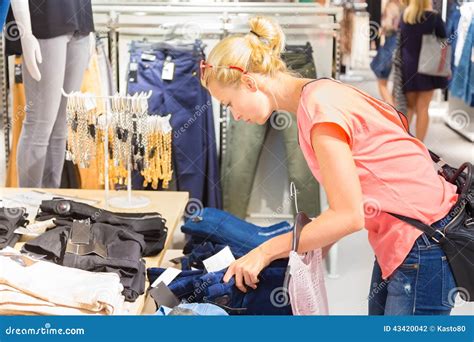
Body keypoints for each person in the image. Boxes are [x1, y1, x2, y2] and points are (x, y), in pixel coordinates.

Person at [200, 16, 460, 315]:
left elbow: (348, 216)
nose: (233, 115)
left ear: (248, 82)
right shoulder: (317, 95)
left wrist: (266, 250)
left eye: (230, 103)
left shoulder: (319, 109)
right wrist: (311, 244)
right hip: (409, 236)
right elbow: (353, 196)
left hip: (423, 240)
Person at [400, 0, 448, 142]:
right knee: (423, 108)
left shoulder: (405, 16)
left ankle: (404, 143)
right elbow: (444, 40)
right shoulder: (433, 17)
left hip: (408, 66)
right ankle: (420, 145)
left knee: (409, 107)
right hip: (428, 66)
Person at [370, 0, 403, 105]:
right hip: (402, 46)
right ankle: (394, 109)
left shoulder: (390, 6)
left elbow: (387, 25)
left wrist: (382, 30)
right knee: (396, 83)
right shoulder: (405, 7)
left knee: (382, 81)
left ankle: (392, 109)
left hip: (390, 44)